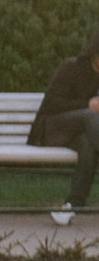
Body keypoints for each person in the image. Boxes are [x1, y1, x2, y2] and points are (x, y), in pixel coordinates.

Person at [33, 26, 99, 226]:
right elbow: (51, 104)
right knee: (89, 115)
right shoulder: (71, 68)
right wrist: (87, 104)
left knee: (88, 147)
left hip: (83, 134)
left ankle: (71, 205)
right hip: (51, 129)